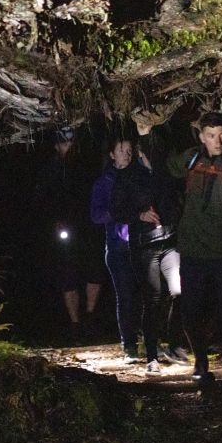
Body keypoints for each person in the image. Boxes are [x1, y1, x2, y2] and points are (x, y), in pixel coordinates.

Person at [144, 110, 222, 396]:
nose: (218, 141)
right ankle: (202, 365)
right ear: (202, 136)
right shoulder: (192, 158)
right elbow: (162, 165)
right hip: (193, 250)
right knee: (191, 312)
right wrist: (146, 136)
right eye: (211, 136)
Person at [109, 124, 190, 375]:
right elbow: (116, 210)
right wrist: (140, 214)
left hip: (169, 241)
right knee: (152, 299)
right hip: (144, 246)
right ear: (142, 153)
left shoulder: (166, 173)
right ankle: (152, 356)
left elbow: (180, 198)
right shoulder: (128, 176)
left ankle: (175, 345)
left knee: (179, 291)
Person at [34, 125, 104, 344]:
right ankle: (75, 324)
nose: (69, 147)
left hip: (89, 226)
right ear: (57, 146)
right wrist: (53, 224)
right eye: (65, 143)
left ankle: (90, 317)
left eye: (72, 142)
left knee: (95, 272)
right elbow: (42, 200)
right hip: (65, 230)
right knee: (69, 277)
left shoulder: (86, 165)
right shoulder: (51, 170)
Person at [90, 134, 140, 363]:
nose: (126, 155)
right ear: (112, 154)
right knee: (126, 295)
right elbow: (96, 215)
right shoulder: (104, 183)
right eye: (121, 150)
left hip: (141, 244)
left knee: (148, 293)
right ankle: (129, 343)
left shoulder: (140, 175)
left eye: (129, 150)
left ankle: (149, 338)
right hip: (118, 247)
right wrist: (117, 212)